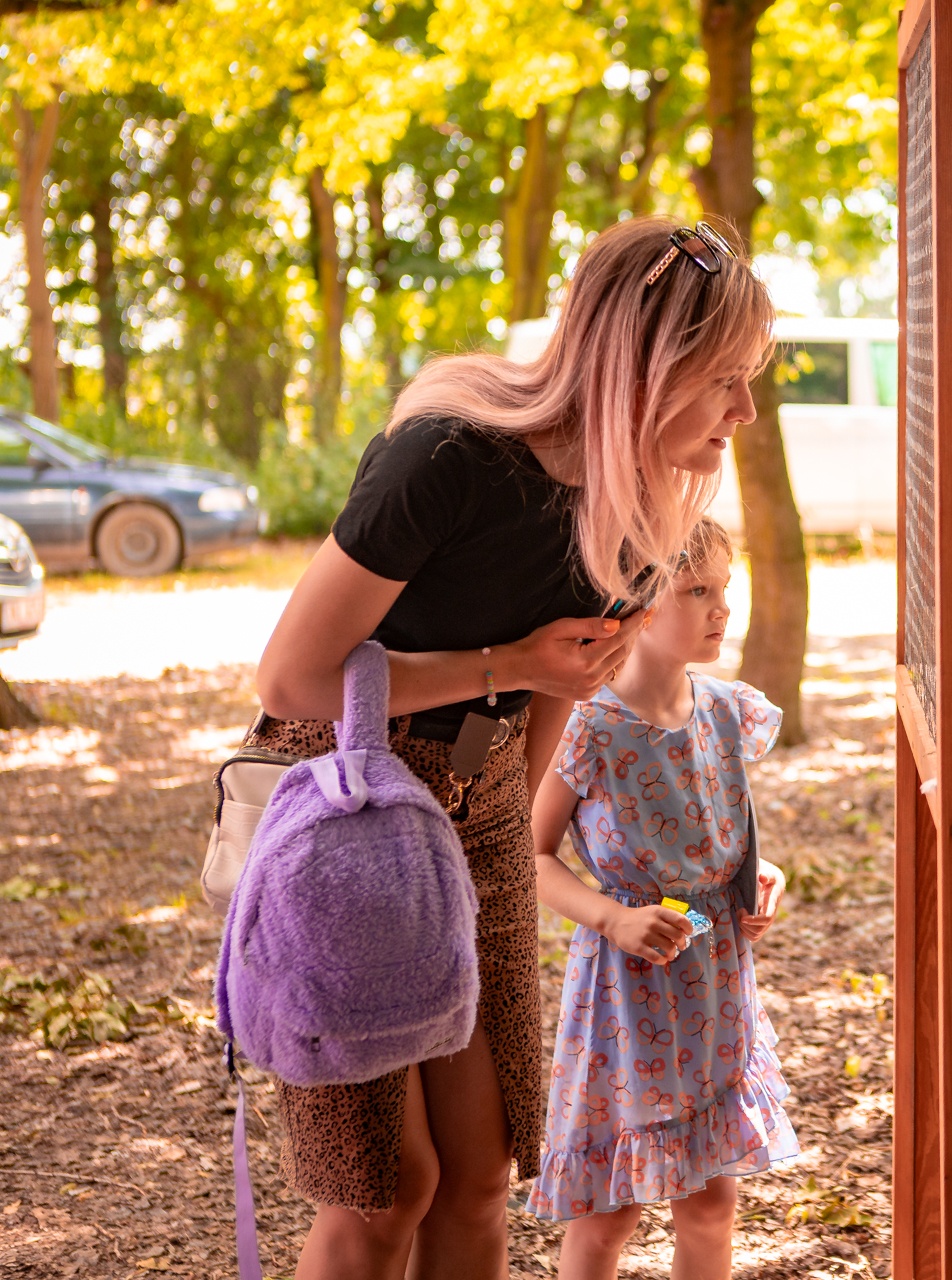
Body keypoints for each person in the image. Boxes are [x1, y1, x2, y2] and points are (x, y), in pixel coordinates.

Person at [251, 218, 773, 1280]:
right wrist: (509, 661)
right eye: (726, 378)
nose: (745, 411)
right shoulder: (444, 461)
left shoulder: (642, 531)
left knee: (481, 1177)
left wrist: (494, 839)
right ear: (649, 364)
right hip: (345, 811)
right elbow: (293, 680)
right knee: (387, 1188)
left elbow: (555, 702)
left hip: (478, 819)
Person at [527, 517, 799, 1280]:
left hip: (715, 988)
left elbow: (713, 833)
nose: (722, 608)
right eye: (697, 590)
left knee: (712, 1206)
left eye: (725, 589)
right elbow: (528, 854)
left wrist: (757, 873)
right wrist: (611, 917)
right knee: (609, 1214)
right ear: (635, 606)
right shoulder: (590, 726)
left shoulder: (727, 711)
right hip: (627, 998)